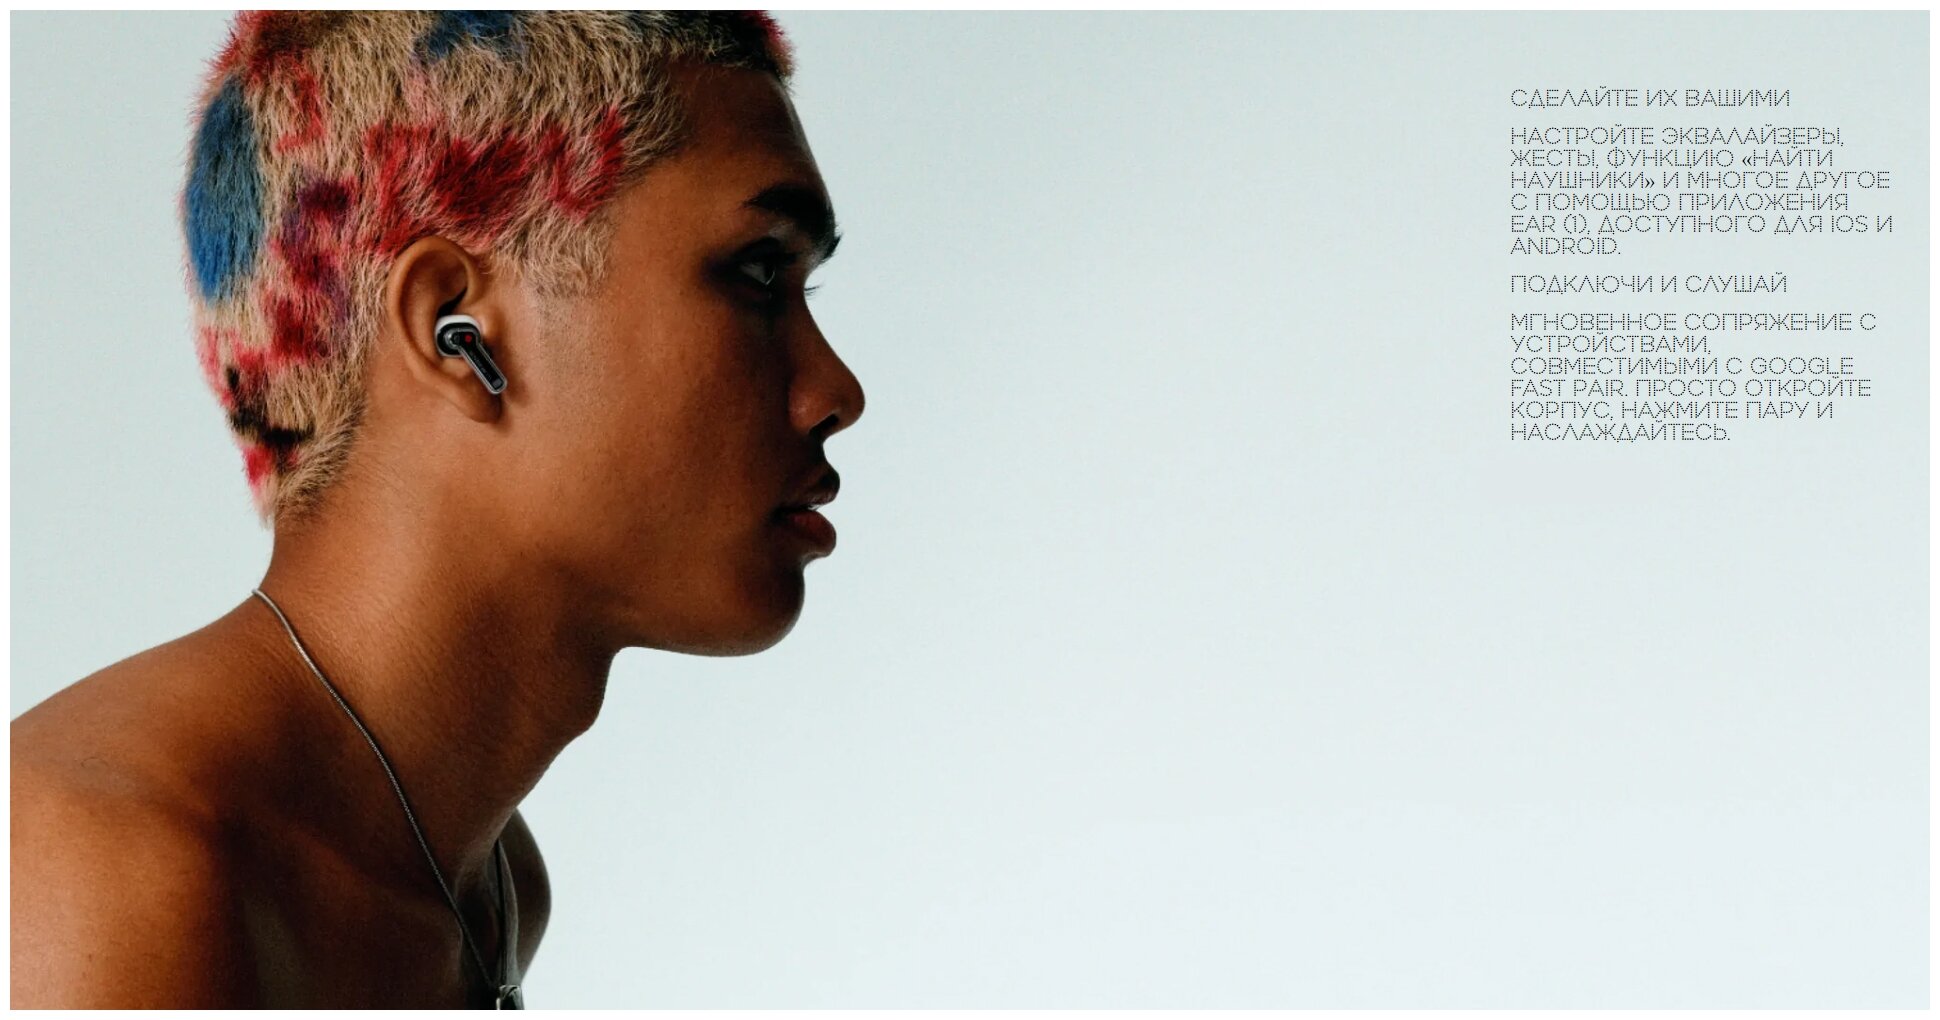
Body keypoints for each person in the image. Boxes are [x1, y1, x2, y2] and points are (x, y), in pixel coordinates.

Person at [11, 10, 864, 1008]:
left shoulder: (492, 884)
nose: (836, 390)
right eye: (758, 271)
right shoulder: (109, 871)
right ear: (456, 330)